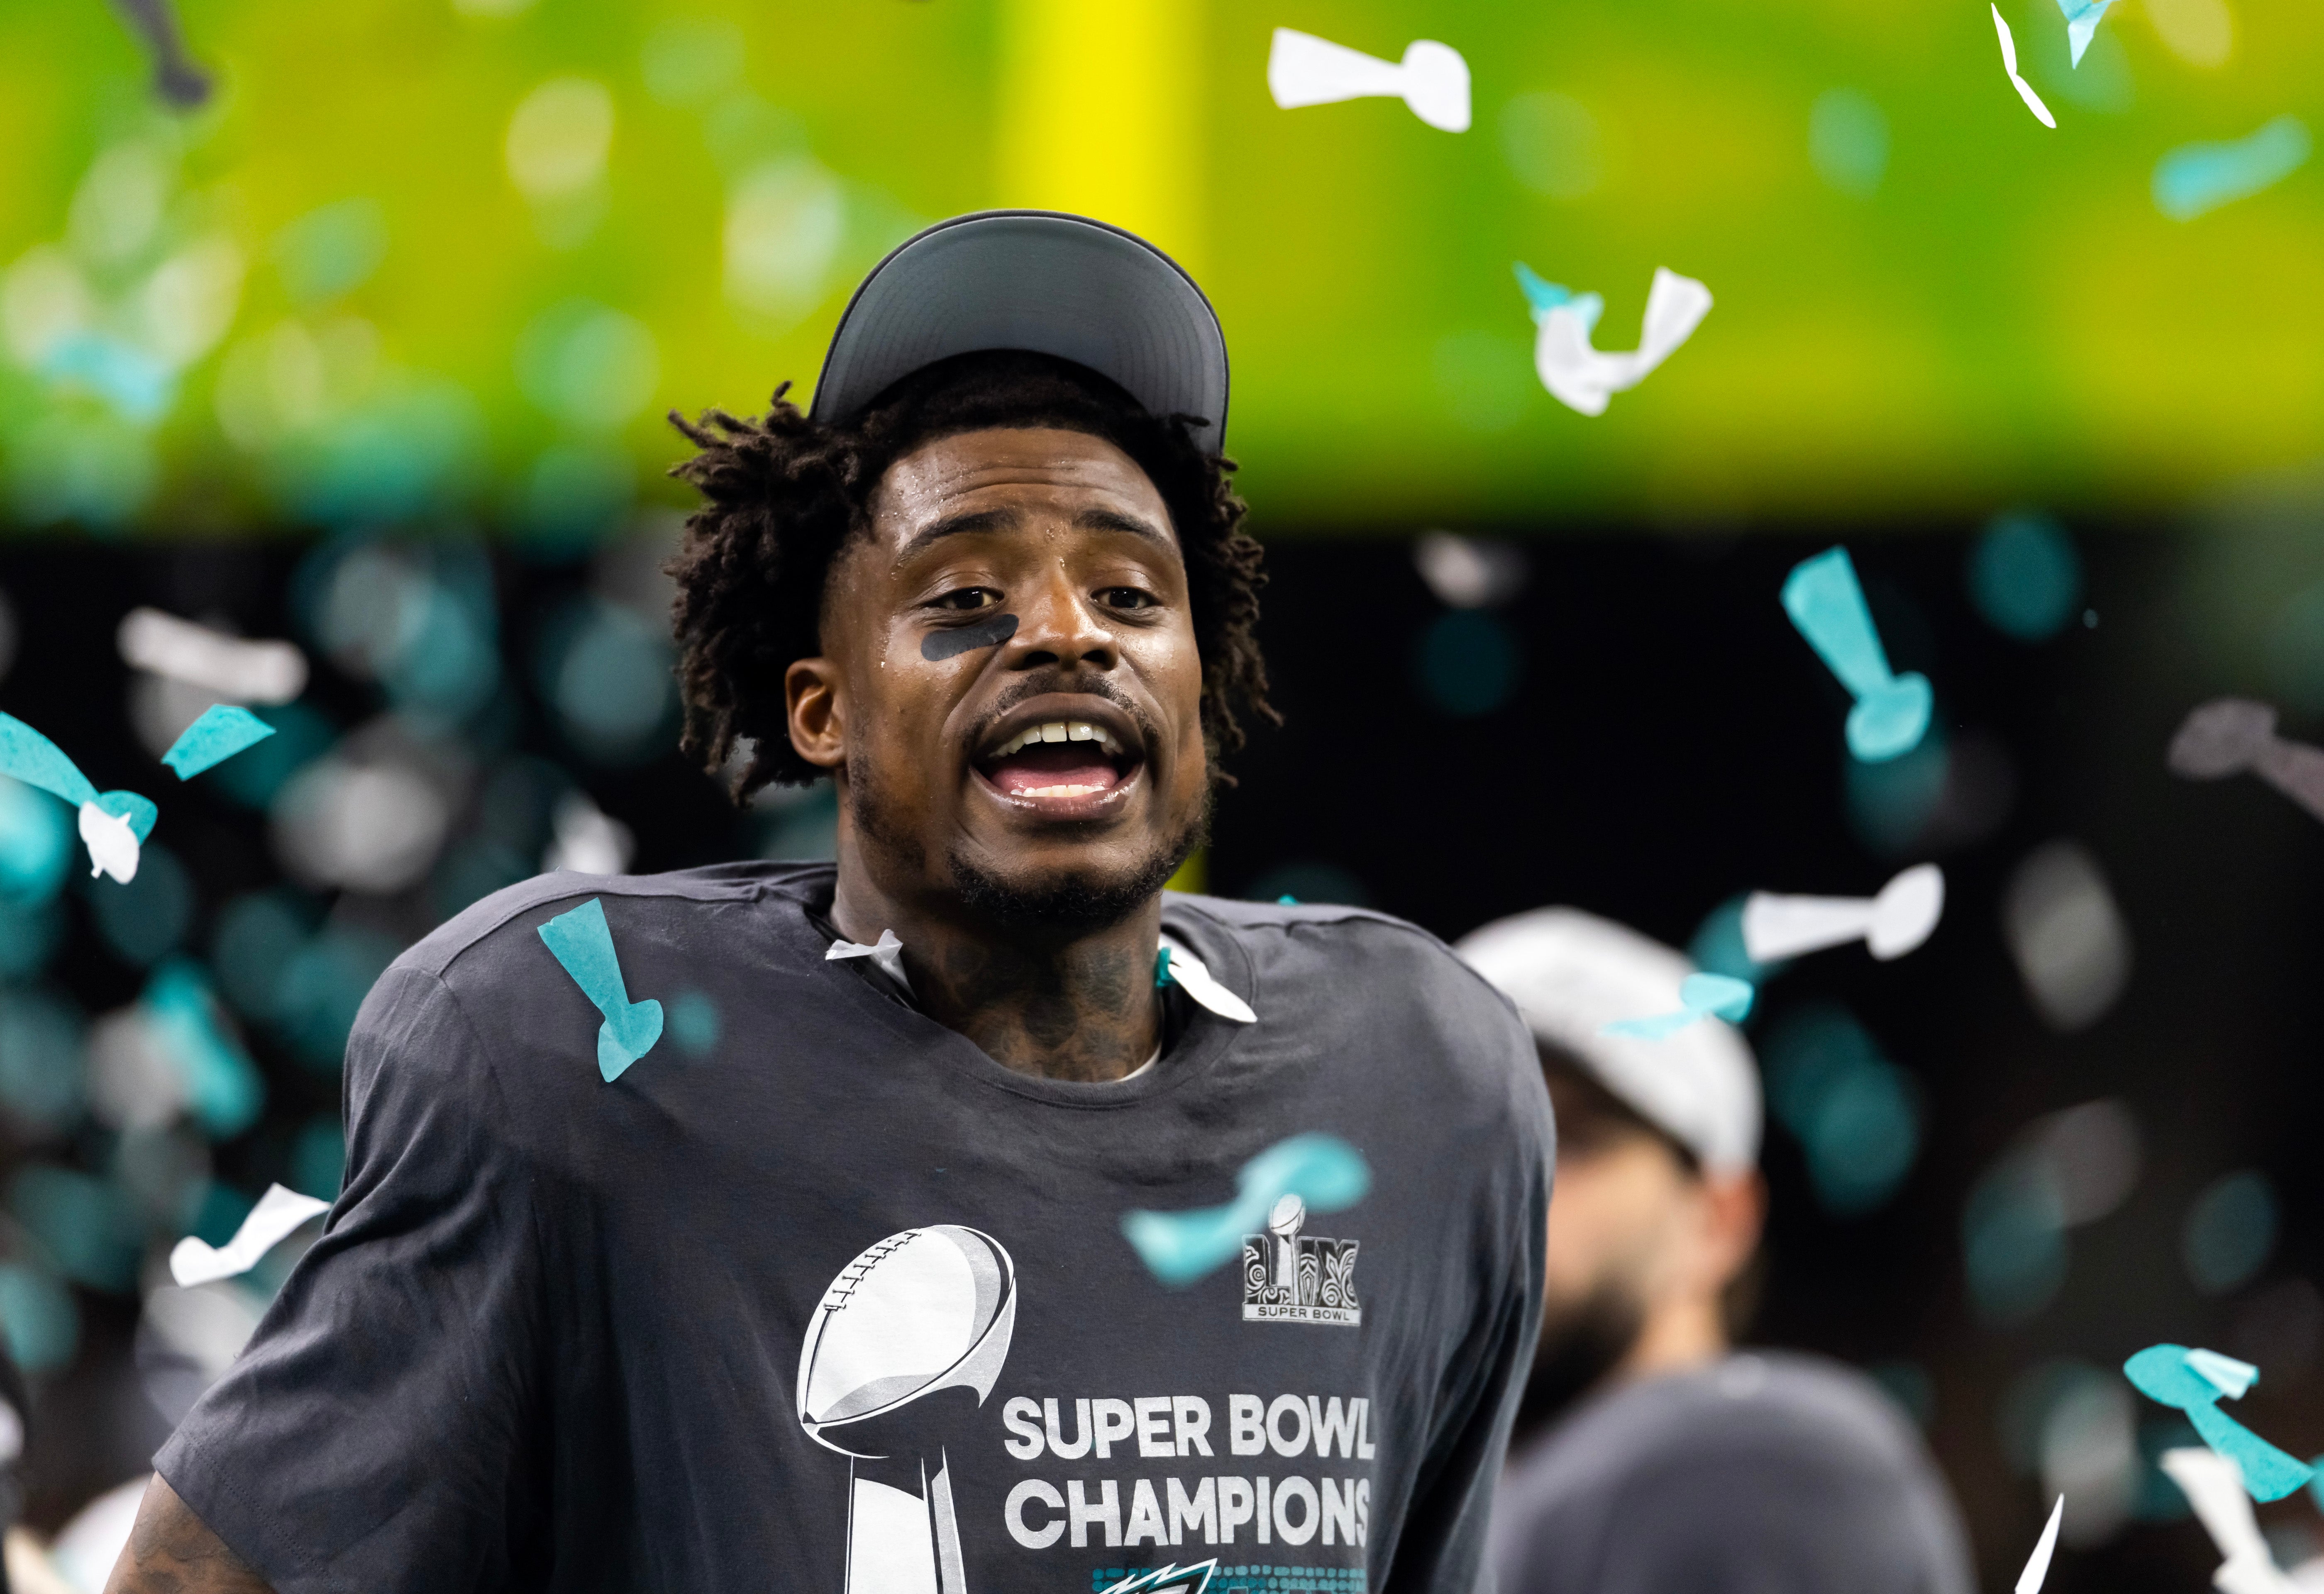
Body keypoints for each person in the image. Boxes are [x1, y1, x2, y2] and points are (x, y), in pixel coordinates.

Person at [105, 212, 1551, 1594]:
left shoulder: (1422, 1082)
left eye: (1128, 595)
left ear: (1201, 685)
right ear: (822, 710)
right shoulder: (580, 1053)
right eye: (964, 599)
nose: (1062, 631)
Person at [1456, 907, 1973, 1594]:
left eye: (1572, 1141)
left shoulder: (1770, 1462)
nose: (1504, 1187)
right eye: (1465, 1147)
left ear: (1718, 1219)